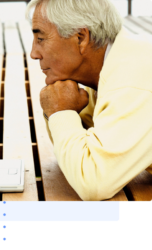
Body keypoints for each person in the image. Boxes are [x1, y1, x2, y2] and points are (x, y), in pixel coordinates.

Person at [26, 0, 152, 201]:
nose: (33, 53)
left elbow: (93, 182)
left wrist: (60, 111)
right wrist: (61, 107)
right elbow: (72, 155)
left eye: (40, 38)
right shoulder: (116, 63)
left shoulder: (133, 80)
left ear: (80, 38)